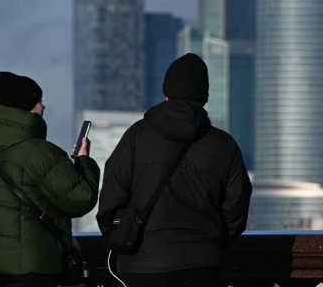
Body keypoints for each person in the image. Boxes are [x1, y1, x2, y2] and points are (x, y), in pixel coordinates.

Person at [97, 53, 252, 287]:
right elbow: (237, 207)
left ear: (166, 94)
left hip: (142, 265)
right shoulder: (224, 144)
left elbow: (111, 197)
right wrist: (212, 243)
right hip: (202, 265)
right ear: (204, 97)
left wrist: (120, 236)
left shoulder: (136, 136)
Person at [0, 71, 100, 287]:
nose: (43, 107)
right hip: (30, 267)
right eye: (39, 101)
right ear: (29, 106)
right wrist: (84, 161)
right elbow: (80, 199)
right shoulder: (41, 153)